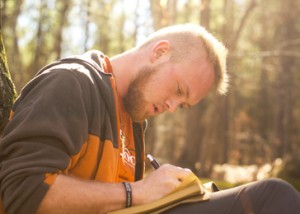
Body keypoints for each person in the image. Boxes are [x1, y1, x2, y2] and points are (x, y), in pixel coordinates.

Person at [0, 23, 299, 214]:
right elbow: (20, 191)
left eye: (183, 105)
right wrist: (137, 192)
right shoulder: (72, 83)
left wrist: (170, 193)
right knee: (272, 196)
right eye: (179, 90)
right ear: (159, 52)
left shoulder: (133, 121)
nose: (171, 106)